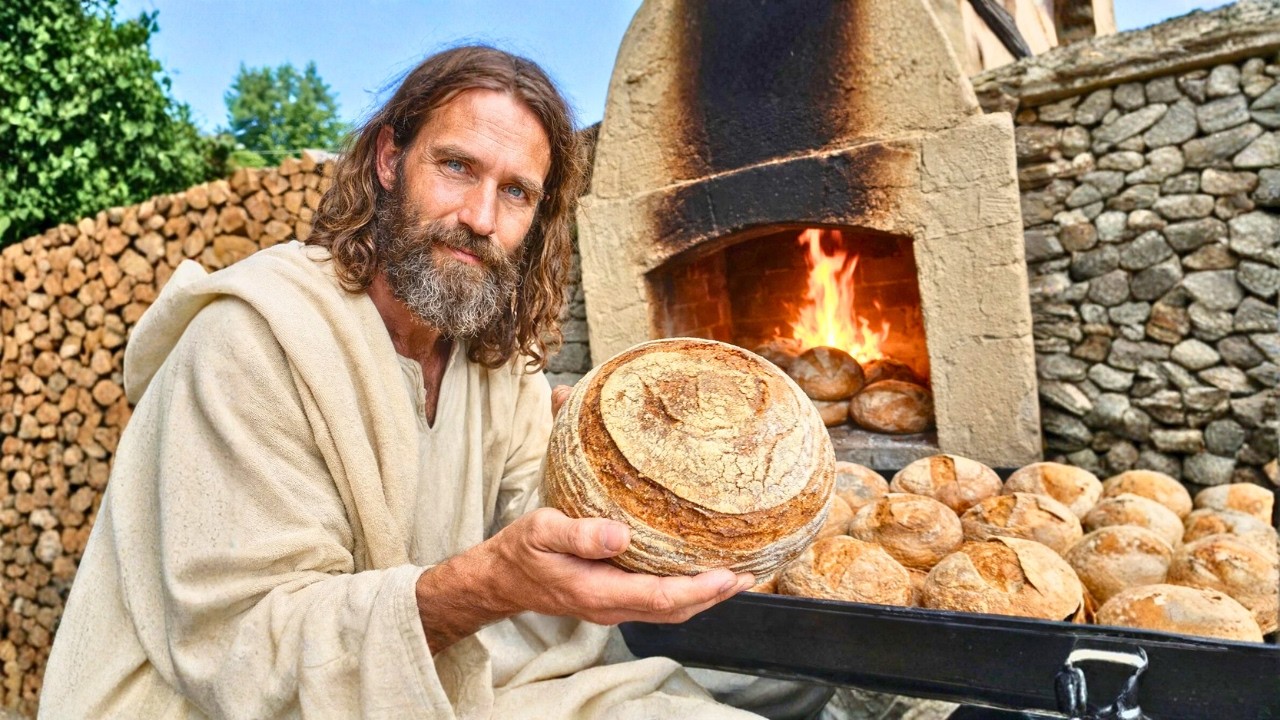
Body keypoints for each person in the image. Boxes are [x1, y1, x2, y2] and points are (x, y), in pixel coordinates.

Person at [38, 45, 829, 719]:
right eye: (456, 167)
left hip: (419, 679)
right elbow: (239, 652)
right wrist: (489, 584)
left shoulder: (496, 365)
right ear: (389, 160)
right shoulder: (252, 341)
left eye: (515, 192)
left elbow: (542, 532)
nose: (481, 218)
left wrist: (646, 493)